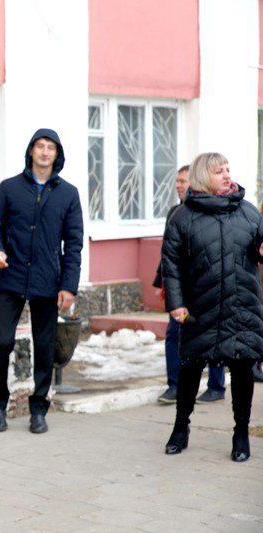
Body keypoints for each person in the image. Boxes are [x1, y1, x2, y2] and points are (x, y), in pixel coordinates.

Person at [161, 152, 263, 462]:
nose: (227, 175)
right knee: (191, 367)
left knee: (242, 369)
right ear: (203, 177)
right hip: (200, 307)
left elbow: (258, 249)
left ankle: (241, 433)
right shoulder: (182, 217)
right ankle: (181, 427)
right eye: (219, 171)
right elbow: (171, 265)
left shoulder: (248, 212)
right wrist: (176, 304)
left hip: (242, 305)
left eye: (228, 169)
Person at [0, 129, 83, 434]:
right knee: (3, 343)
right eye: (40, 146)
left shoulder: (68, 193)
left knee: (44, 346)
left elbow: (74, 243)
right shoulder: (9, 188)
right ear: (31, 151)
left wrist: (68, 286)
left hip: (47, 280)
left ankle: (38, 409)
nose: (44, 152)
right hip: (11, 275)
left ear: (57, 154)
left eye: (50, 147)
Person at [154, 165, 226, 404]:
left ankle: (216, 386)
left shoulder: (213, 211)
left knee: (212, 335)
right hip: (182, 289)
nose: (178, 185)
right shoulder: (175, 213)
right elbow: (169, 253)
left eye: (183, 181)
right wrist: (161, 282)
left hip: (209, 286)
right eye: (176, 181)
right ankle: (175, 386)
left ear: (195, 183)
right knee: (175, 334)